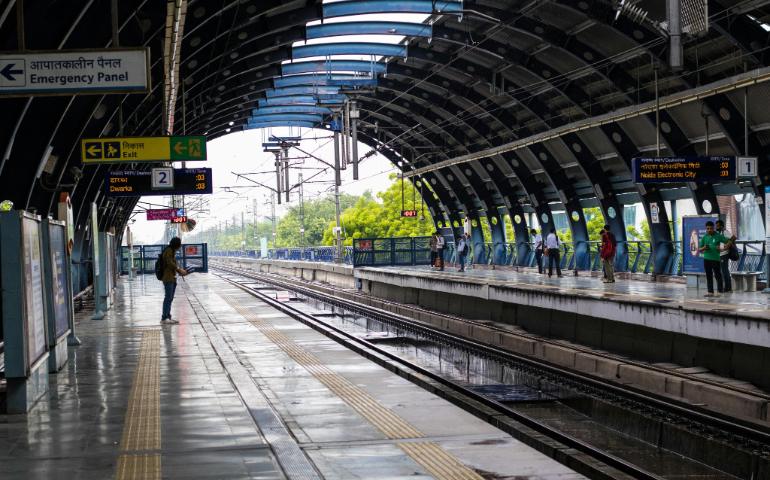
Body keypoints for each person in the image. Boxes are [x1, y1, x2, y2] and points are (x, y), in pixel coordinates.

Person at [698, 221, 734, 297]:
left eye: (711, 228)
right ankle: (710, 292)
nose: (709, 230)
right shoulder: (705, 237)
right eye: (707, 229)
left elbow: (729, 241)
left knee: (718, 275)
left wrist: (723, 248)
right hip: (706, 259)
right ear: (706, 229)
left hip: (715, 259)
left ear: (713, 228)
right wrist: (704, 248)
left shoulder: (718, 236)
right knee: (709, 275)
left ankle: (720, 291)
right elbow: (699, 249)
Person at [161, 237, 188, 324]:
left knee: (170, 298)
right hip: (168, 277)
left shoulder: (171, 251)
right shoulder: (169, 251)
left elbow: (172, 263)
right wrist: (179, 270)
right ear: (176, 244)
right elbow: (170, 263)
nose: (180, 246)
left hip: (171, 277)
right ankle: (165, 317)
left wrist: (178, 270)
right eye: (179, 244)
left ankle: (167, 316)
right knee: (168, 298)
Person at [715, 220, 733, 293]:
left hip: (724, 254)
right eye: (716, 225)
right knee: (719, 271)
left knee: (725, 271)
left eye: (718, 226)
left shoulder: (725, 232)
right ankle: (721, 287)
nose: (717, 227)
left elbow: (733, 237)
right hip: (718, 255)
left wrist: (726, 246)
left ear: (721, 226)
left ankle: (728, 288)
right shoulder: (718, 233)